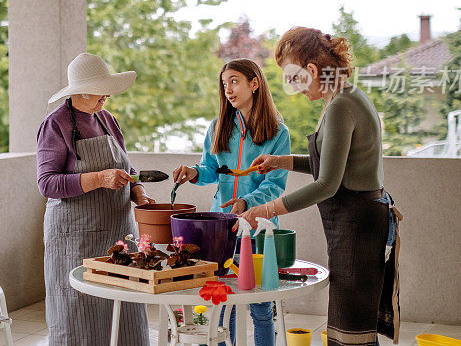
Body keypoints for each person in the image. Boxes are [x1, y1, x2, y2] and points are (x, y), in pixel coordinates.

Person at [237, 27, 401, 346]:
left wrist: (267, 209)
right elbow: (330, 163)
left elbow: (327, 184)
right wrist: (281, 161)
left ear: (312, 70)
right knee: (352, 327)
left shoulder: (341, 105)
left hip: (359, 226)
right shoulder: (343, 97)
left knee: (353, 331)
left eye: (295, 79)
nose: (295, 89)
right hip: (356, 223)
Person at [38, 52, 154, 346]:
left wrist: (139, 192)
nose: (106, 98)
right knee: (78, 313)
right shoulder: (56, 124)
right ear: (81, 91)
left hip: (118, 234)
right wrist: (100, 178)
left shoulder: (106, 119)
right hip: (75, 239)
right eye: (101, 91)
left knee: (124, 310)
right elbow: (47, 184)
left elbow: (128, 166)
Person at [173, 58, 290, 346]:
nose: (228, 89)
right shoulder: (218, 127)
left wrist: (247, 202)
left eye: (235, 81)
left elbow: (275, 185)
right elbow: (211, 168)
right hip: (220, 229)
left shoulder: (278, 133)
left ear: (254, 83)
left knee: (260, 306)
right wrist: (194, 172)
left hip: (258, 228)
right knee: (222, 304)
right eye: (224, 84)